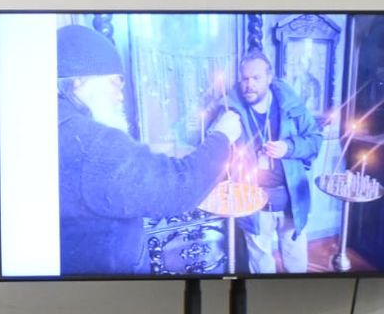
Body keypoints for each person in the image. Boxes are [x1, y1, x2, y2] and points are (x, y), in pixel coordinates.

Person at [57, 23, 242, 275]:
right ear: (80, 81)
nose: (120, 96)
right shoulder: (92, 143)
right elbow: (179, 187)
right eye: (114, 84)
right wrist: (223, 135)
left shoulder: (57, 122)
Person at [225, 51, 322, 273]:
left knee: (296, 266)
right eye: (245, 78)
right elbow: (219, 150)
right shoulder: (231, 110)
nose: (249, 84)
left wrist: (289, 148)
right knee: (261, 269)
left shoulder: (292, 106)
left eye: (256, 78)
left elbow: (315, 141)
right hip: (252, 205)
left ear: (269, 78)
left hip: (291, 202)